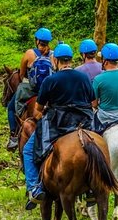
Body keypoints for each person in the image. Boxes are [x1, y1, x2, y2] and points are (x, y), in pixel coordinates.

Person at [22, 43, 96, 210]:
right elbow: (92, 102)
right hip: (82, 124)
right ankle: (92, 186)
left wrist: (41, 113)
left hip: (58, 124)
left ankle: (35, 188)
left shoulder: (50, 80)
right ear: (71, 60)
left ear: (55, 60)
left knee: (28, 150)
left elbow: (37, 111)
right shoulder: (83, 77)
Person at [6, 27, 56, 151]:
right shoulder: (53, 54)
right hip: (49, 91)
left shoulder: (29, 54)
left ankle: (13, 136)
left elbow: (22, 75)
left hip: (31, 89)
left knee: (11, 108)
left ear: (36, 40)